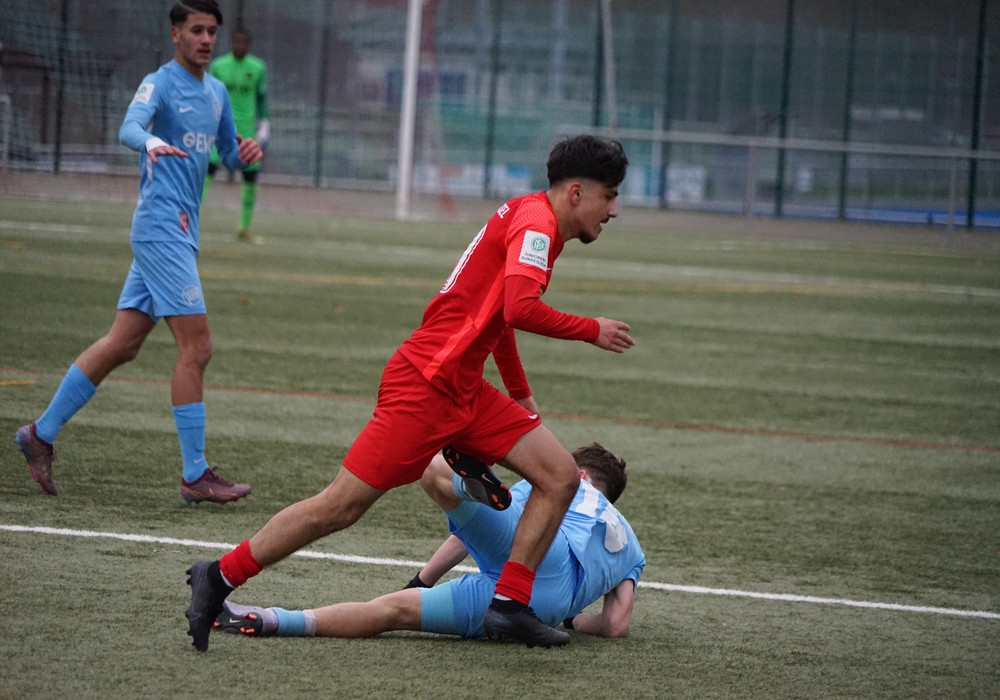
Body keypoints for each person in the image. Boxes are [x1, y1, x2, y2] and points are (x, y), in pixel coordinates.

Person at [185, 134, 634, 652]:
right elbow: (519, 309)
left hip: (464, 388)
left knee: (559, 475)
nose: (614, 210)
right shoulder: (536, 224)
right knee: (340, 507)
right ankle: (219, 574)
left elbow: (498, 318)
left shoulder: (535, 219)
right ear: (576, 192)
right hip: (426, 385)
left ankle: (510, 604)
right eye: (609, 195)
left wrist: (519, 394)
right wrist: (591, 329)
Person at [13, 1, 261, 504]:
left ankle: (39, 433)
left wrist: (245, 153)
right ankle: (195, 474)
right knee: (198, 348)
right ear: (175, 35)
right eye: (197, 30)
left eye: (212, 31)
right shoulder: (160, 83)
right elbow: (129, 128)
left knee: (122, 343)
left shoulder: (216, 92)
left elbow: (227, 153)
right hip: (160, 229)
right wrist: (149, 143)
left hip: (179, 231)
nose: (206, 39)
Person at [213, 444, 644, 643]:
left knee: (432, 469)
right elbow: (616, 624)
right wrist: (573, 620)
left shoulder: (565, 485)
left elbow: (467, 541)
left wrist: (423, 579)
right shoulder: (633, 549)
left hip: (542, 554)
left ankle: (461, 480)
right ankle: (273, 621)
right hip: (545, 606)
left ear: (580, 474)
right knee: (390, 612)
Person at [201, 26, 269, 244]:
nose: (241, 46)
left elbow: (261, 98)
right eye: (237, 42)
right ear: (231, 43)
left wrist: (265, 124)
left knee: (251, 178)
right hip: (220, 130)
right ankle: (187, 221)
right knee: (205, 174)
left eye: (244, 42)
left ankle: (244, 228)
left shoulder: (257, 68)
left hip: (247, 132)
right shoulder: (218, 66)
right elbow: (208, 96)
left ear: (249, 45)